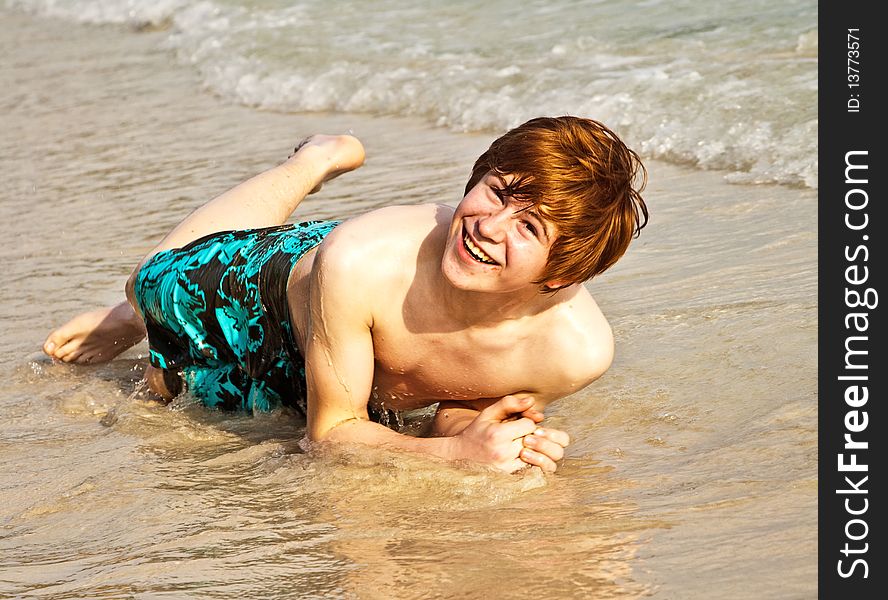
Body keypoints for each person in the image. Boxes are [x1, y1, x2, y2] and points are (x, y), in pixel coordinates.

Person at [43, 116, 648, 474]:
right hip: (281, 288)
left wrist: (485, 435)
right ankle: (313, 161)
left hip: (340, 305)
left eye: (529, 227)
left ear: (562, 274)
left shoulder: (574, 352)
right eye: (497, 192)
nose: (488, 226)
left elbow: (455, 405)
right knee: (153, 304)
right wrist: (458, 458)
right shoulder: (360, 260)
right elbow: (329, 433)